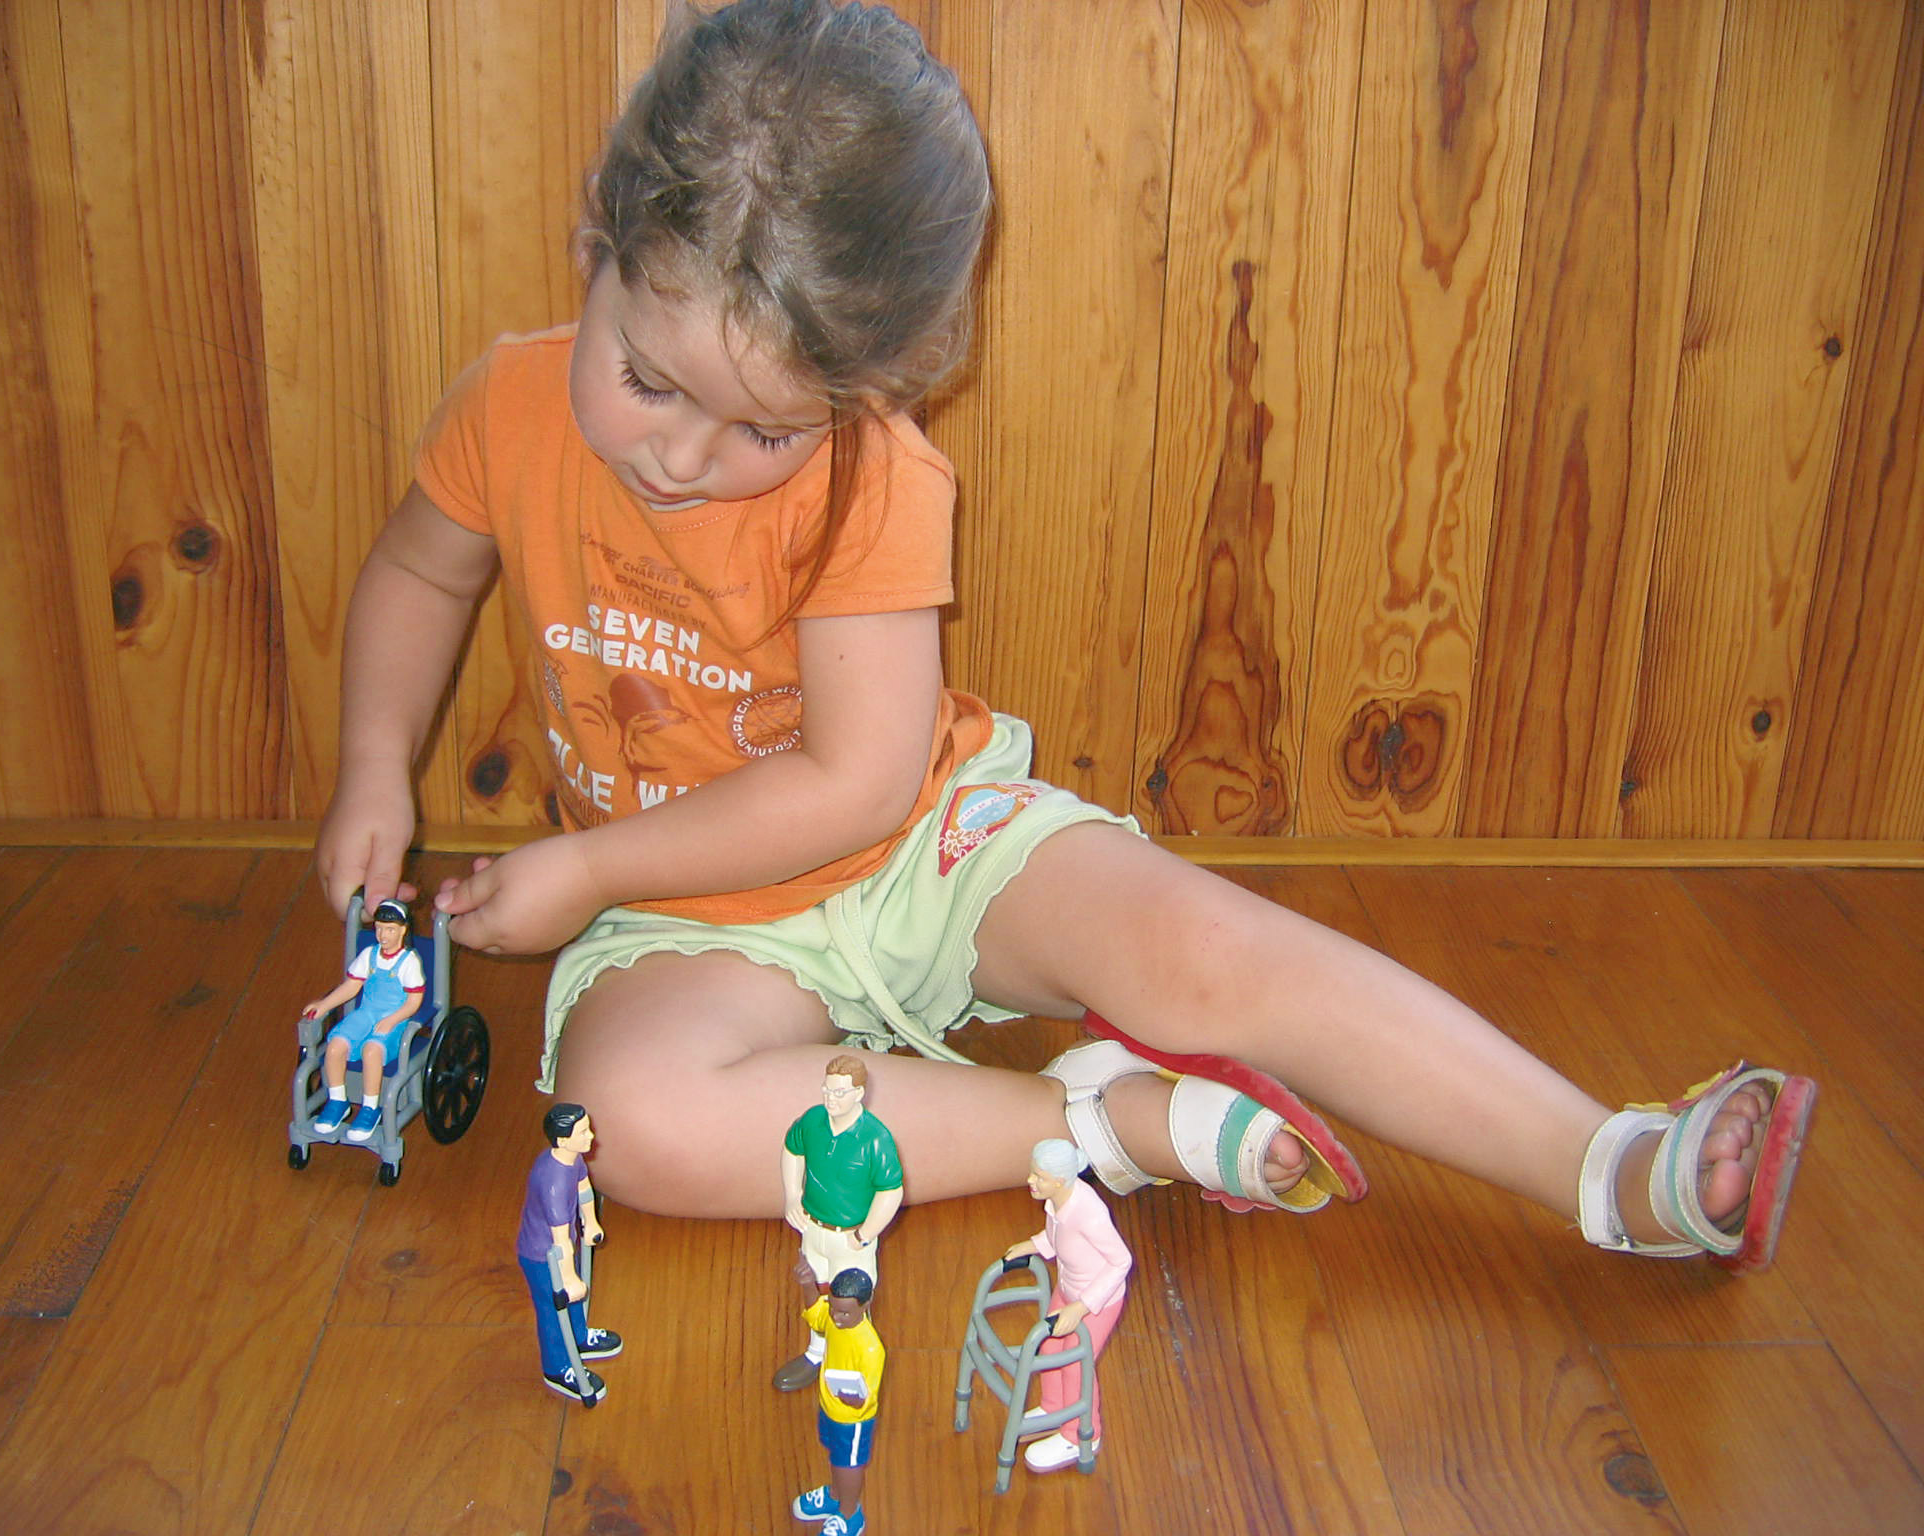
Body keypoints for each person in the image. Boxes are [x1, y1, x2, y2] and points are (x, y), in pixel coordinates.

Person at [313, 0, 1814, 1295]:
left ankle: (1608, 1165)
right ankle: (1101, 1130)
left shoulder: (877, 474)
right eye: (647, 381)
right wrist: (376, 766)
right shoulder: (503, 408)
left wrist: (574, 871)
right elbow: (414, 573)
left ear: (860, 390)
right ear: (598, 242)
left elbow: (854, 785)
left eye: (763, 427)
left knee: (1200, 946)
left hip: (918, 845)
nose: (685, 459)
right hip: (685, 917)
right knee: (628, 1122)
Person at [778, 1054, 903, 1391]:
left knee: (849, 1303)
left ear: (859, 1093)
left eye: (839, 1093)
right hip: (814, 1229)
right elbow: (792, 1150)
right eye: (827, 1091)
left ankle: (856, 1363)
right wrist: (792, 1195)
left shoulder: (875, 1138)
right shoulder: (813, 1121)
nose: (831, 1100)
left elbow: (891, 1190)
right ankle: (817, 1352)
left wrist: (866, 1233)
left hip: (851, 1238)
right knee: (815, 1293)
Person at [1004, 1139, 1130, 1473]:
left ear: (1059, 1180)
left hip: (1095, 1301)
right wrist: (1033, 1244)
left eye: (1039, 1176)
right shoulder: (1055, 1202)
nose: (1031, 1180)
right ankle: (1054, 1407)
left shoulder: (1087, 1212)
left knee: (1076, 1363)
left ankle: (1080, 1435)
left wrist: (1082, 1308)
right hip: (1069, 1288)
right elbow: (1058, 1238)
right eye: (1033, 1172)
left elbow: (1121, 1261)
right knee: (1048, 1346)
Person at [516, 1102, 623, 1403]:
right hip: (543, 1256)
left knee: (574, 1302)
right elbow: (558, 1236)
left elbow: (585, 1188)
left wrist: (590, 1222)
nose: (591, 1136)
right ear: (562, 1139)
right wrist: (568, 1277)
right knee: (553, 1308)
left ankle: (578, 1336)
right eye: (583, 1132)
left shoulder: (572, 1159)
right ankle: (558, 1367)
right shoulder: (552, 1181)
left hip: (566, 1245)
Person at [304, 898, 425, 1143]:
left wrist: (393, 1020)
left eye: (390, 930)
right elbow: (351, 986)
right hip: (366, 1013)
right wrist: (324, 1005)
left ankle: (371, 1107)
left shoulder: (408, 962)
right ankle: (338, 1102)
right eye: (379, 928)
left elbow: (413, 1002)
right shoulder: (369, 955)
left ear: (403, 930)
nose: (383, 935)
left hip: (394, 1018)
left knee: (372, 1051)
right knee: (336, 1044)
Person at [790, 1260, 882, 1536]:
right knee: (835, 1458)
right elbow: (814, 1314)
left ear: (865, 1306)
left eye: (844, 1312)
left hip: (852, 1421)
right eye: (834, 1308)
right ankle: (835, 1494)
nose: (836, 1317)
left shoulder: (870, 1348)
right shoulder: (832, 1319)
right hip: (829, 1407)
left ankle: (850, 1514)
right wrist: (808, 1286)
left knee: (849, 1464)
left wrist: (854, 1400)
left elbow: (868, 1396)